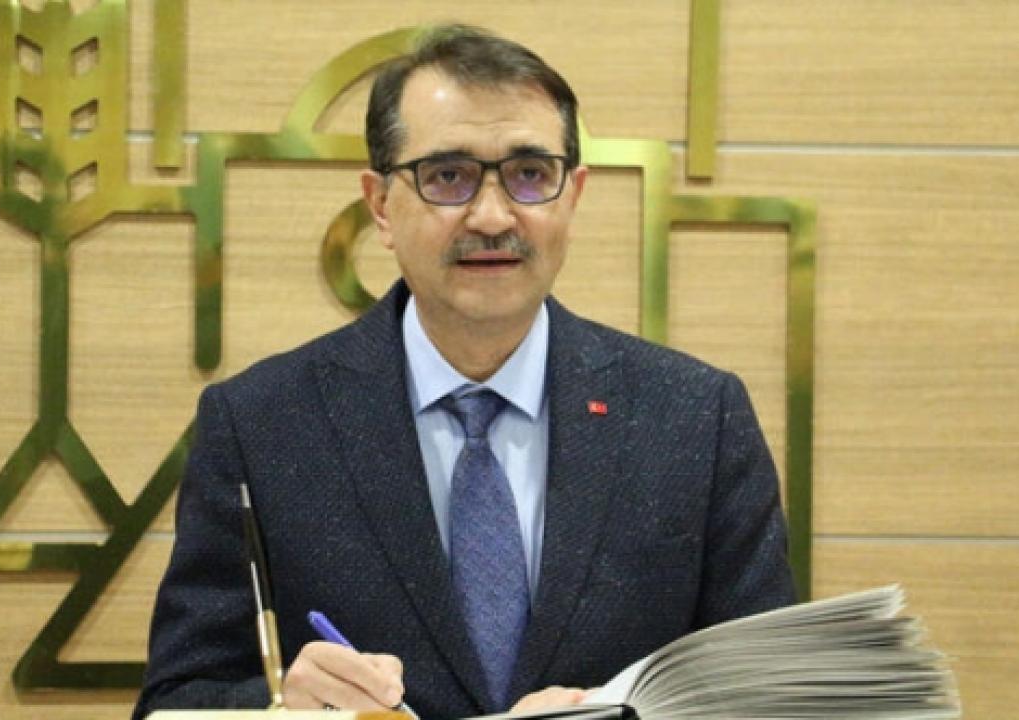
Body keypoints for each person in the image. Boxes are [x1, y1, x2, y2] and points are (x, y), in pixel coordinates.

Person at [134, 24, 794, 720]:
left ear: (573, 196)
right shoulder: (261, 424)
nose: (491, 215)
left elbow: (771, 698)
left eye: (530, 174)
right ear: (380, 205)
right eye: (448, 176)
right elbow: (176, 701)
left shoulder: (697, 418)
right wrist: (278, 710)